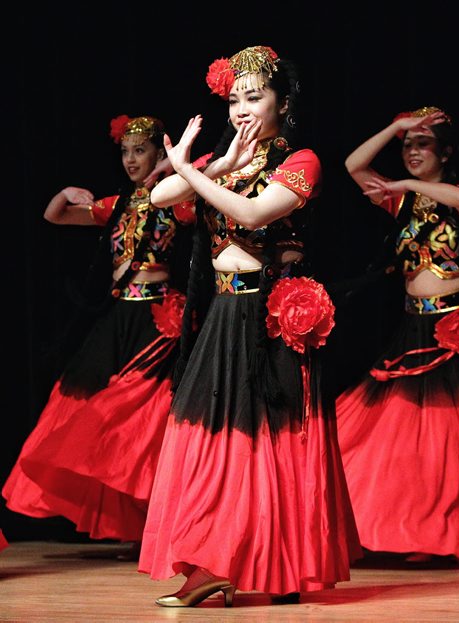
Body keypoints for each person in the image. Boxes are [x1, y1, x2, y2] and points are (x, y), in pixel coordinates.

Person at [137, 45, 362, 608]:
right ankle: (213, 563)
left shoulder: (301, 159)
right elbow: (158, 197)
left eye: (254, 96)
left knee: (272, 445)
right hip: (224, 311)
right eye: (234, 97)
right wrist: (212, 166)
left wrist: (195, 171)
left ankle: (277, 565)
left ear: (282, 103)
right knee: (216, 442)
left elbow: (255, 214)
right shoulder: (231, 159)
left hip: (269, 315)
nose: (240, 107)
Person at [2, 115, 195, 553]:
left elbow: (201, 205)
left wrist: (177, 173)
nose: (130, 160)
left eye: (139, 151)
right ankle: (128, 516)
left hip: (157, 314)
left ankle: (162, 517)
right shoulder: (117, 204)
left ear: (157, 153)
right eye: (125, 152)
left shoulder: (173, 201)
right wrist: (65, 193)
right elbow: (56, 216)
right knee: (81, 406)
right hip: (119, 316)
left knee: (141, 414)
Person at [336, 106, 459, 568]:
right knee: (397, 438)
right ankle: (404, 526)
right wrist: (395, 128)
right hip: (413, 325)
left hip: (457, 326)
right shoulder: (399, 199)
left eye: (421, 144)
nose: (411, 152)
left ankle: (453, 531)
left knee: (453, 441)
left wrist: (406, 184)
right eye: (407, 146)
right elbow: (352, 166)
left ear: (446, 152)